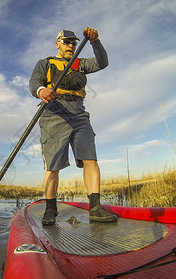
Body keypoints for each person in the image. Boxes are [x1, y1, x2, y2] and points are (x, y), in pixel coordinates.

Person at [29, 26, 118, 225]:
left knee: (90, 159)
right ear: (57, 43)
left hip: (79, 114)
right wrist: (42, 91)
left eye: (74, 43)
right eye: (67, 42)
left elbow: (102, 63)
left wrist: (95, 42)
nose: (71, 45)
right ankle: (50, 209)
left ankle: (95, 208)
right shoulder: (45, 63)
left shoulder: (80, 63)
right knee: (53, 166)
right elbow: (35, 83)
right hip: (54, 114)